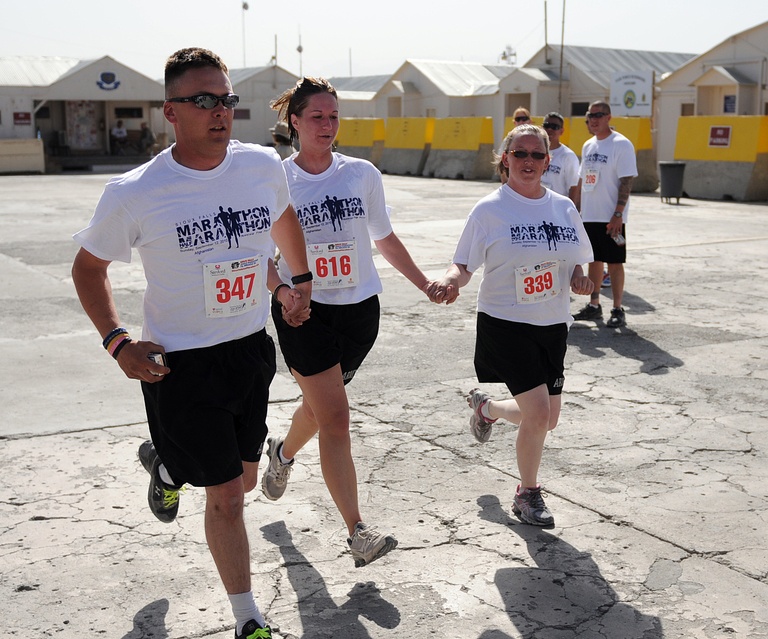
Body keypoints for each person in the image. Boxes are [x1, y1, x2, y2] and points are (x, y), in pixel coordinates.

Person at [71, 47, 311, 639]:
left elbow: (283, 221)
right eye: (202, 100)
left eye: (226, 99)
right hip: (179, 363)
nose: (219, 111)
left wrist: (298, 281)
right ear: (170, 112)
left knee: (244, 479)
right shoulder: (136, 191)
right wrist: (117, 342)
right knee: (228, 496)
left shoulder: (261, 166)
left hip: (250, 350)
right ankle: (247, 618)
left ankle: (165, 465)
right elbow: (87, 267)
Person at [260, 77, 442, 568]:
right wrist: (283, 292)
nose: (327, 125)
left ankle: (281, 453)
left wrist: (424, 284)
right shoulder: (275, 180)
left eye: (333, 116)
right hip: (305, 314)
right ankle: (357, 531)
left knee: (321, 410)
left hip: (361, 313)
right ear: (293, 121)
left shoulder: (360, 174)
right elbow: (259, 256)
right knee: (336, 418)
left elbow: (384, 237)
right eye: (316, 116)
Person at [434, 123, 594, 527]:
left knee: (546, 418)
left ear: (548, 161)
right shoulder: (489, 209)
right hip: (505, 322)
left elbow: (578, 256)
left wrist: (579, 276)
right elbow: (464, 264)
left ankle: (486, 408)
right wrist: (451, 281)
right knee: (539, 414)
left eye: (536, 155)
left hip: (552, 323)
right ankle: (528, 495)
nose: (528, 161)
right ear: (505, 159)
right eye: (519, 154)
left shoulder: (563, 207)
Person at [572, 100, 637, 328]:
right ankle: (594, 305)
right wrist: (575, 209)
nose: (594, 119)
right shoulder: (588, 145)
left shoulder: (621, 144)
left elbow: (626, 181)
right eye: (590, 115)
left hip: (611, 217)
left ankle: (618, 308)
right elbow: (582, 180)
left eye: (599, 114)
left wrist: (618, 214)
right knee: (594, 261)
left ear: (609, 117)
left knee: (615, 262)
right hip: (590, 215)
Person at [540, 111, 580, 210]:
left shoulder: (567, 156)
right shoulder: (536, 152)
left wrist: (570, 212)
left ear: (561, 131)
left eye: (554, 127)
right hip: (537, 206)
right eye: (547, 125)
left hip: (557, 208)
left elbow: (574, 188)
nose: (550, 129)